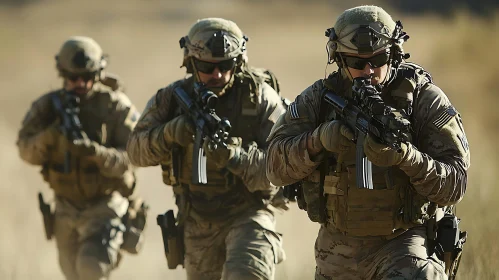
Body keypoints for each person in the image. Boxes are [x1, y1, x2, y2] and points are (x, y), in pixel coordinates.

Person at [266, 5, 470, 280]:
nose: (369, 70)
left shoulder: (423, 99)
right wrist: (318, 141)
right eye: (356, 62)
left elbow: (455, 184)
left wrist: (406, 157)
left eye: (379, 58)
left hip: (403, 242)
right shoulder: (320, 98)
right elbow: (273, 167)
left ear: (395, 53)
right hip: (337, 247)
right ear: (339, 59)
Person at [126, 18, 287, 280]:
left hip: (249, 214)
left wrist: (236, 157)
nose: (218, 75)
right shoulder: (172, 99)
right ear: (190, 63)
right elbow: (134, 152)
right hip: (196, 221)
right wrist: (169, 133)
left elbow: (282, 169)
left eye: (226, 65)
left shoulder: (259, 97)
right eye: (207, 67)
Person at [17, 36, 146, 280]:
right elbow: (25, 150)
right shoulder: (48, 107)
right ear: (62, 74)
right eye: (73, 77)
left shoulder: (115, 106)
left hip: (105, 206)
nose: (80, 84)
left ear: (97, 74)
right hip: (65, 209)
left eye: (87, 77)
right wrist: (51, 137)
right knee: (72, 273)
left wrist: (96, 154)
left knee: (91, 268)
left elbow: (136, 155)